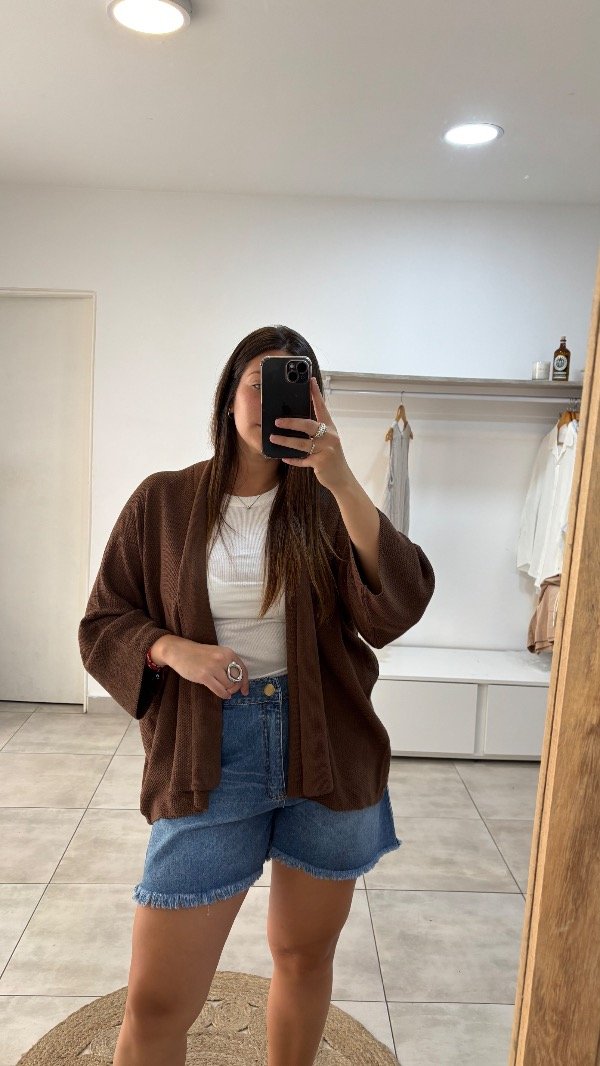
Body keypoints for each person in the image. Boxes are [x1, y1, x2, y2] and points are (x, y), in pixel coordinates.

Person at [78, 324, 435, 1066]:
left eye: (297, 385)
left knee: (304, 958)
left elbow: (397, 605)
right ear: (229, 398)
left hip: (324, 748)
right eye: (258, 383)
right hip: (211, 756)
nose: (273, 400)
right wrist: (173, 650)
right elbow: (104, 620)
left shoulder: (327, 505)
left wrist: (342, 479)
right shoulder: (164, 501)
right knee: (156, 1001)